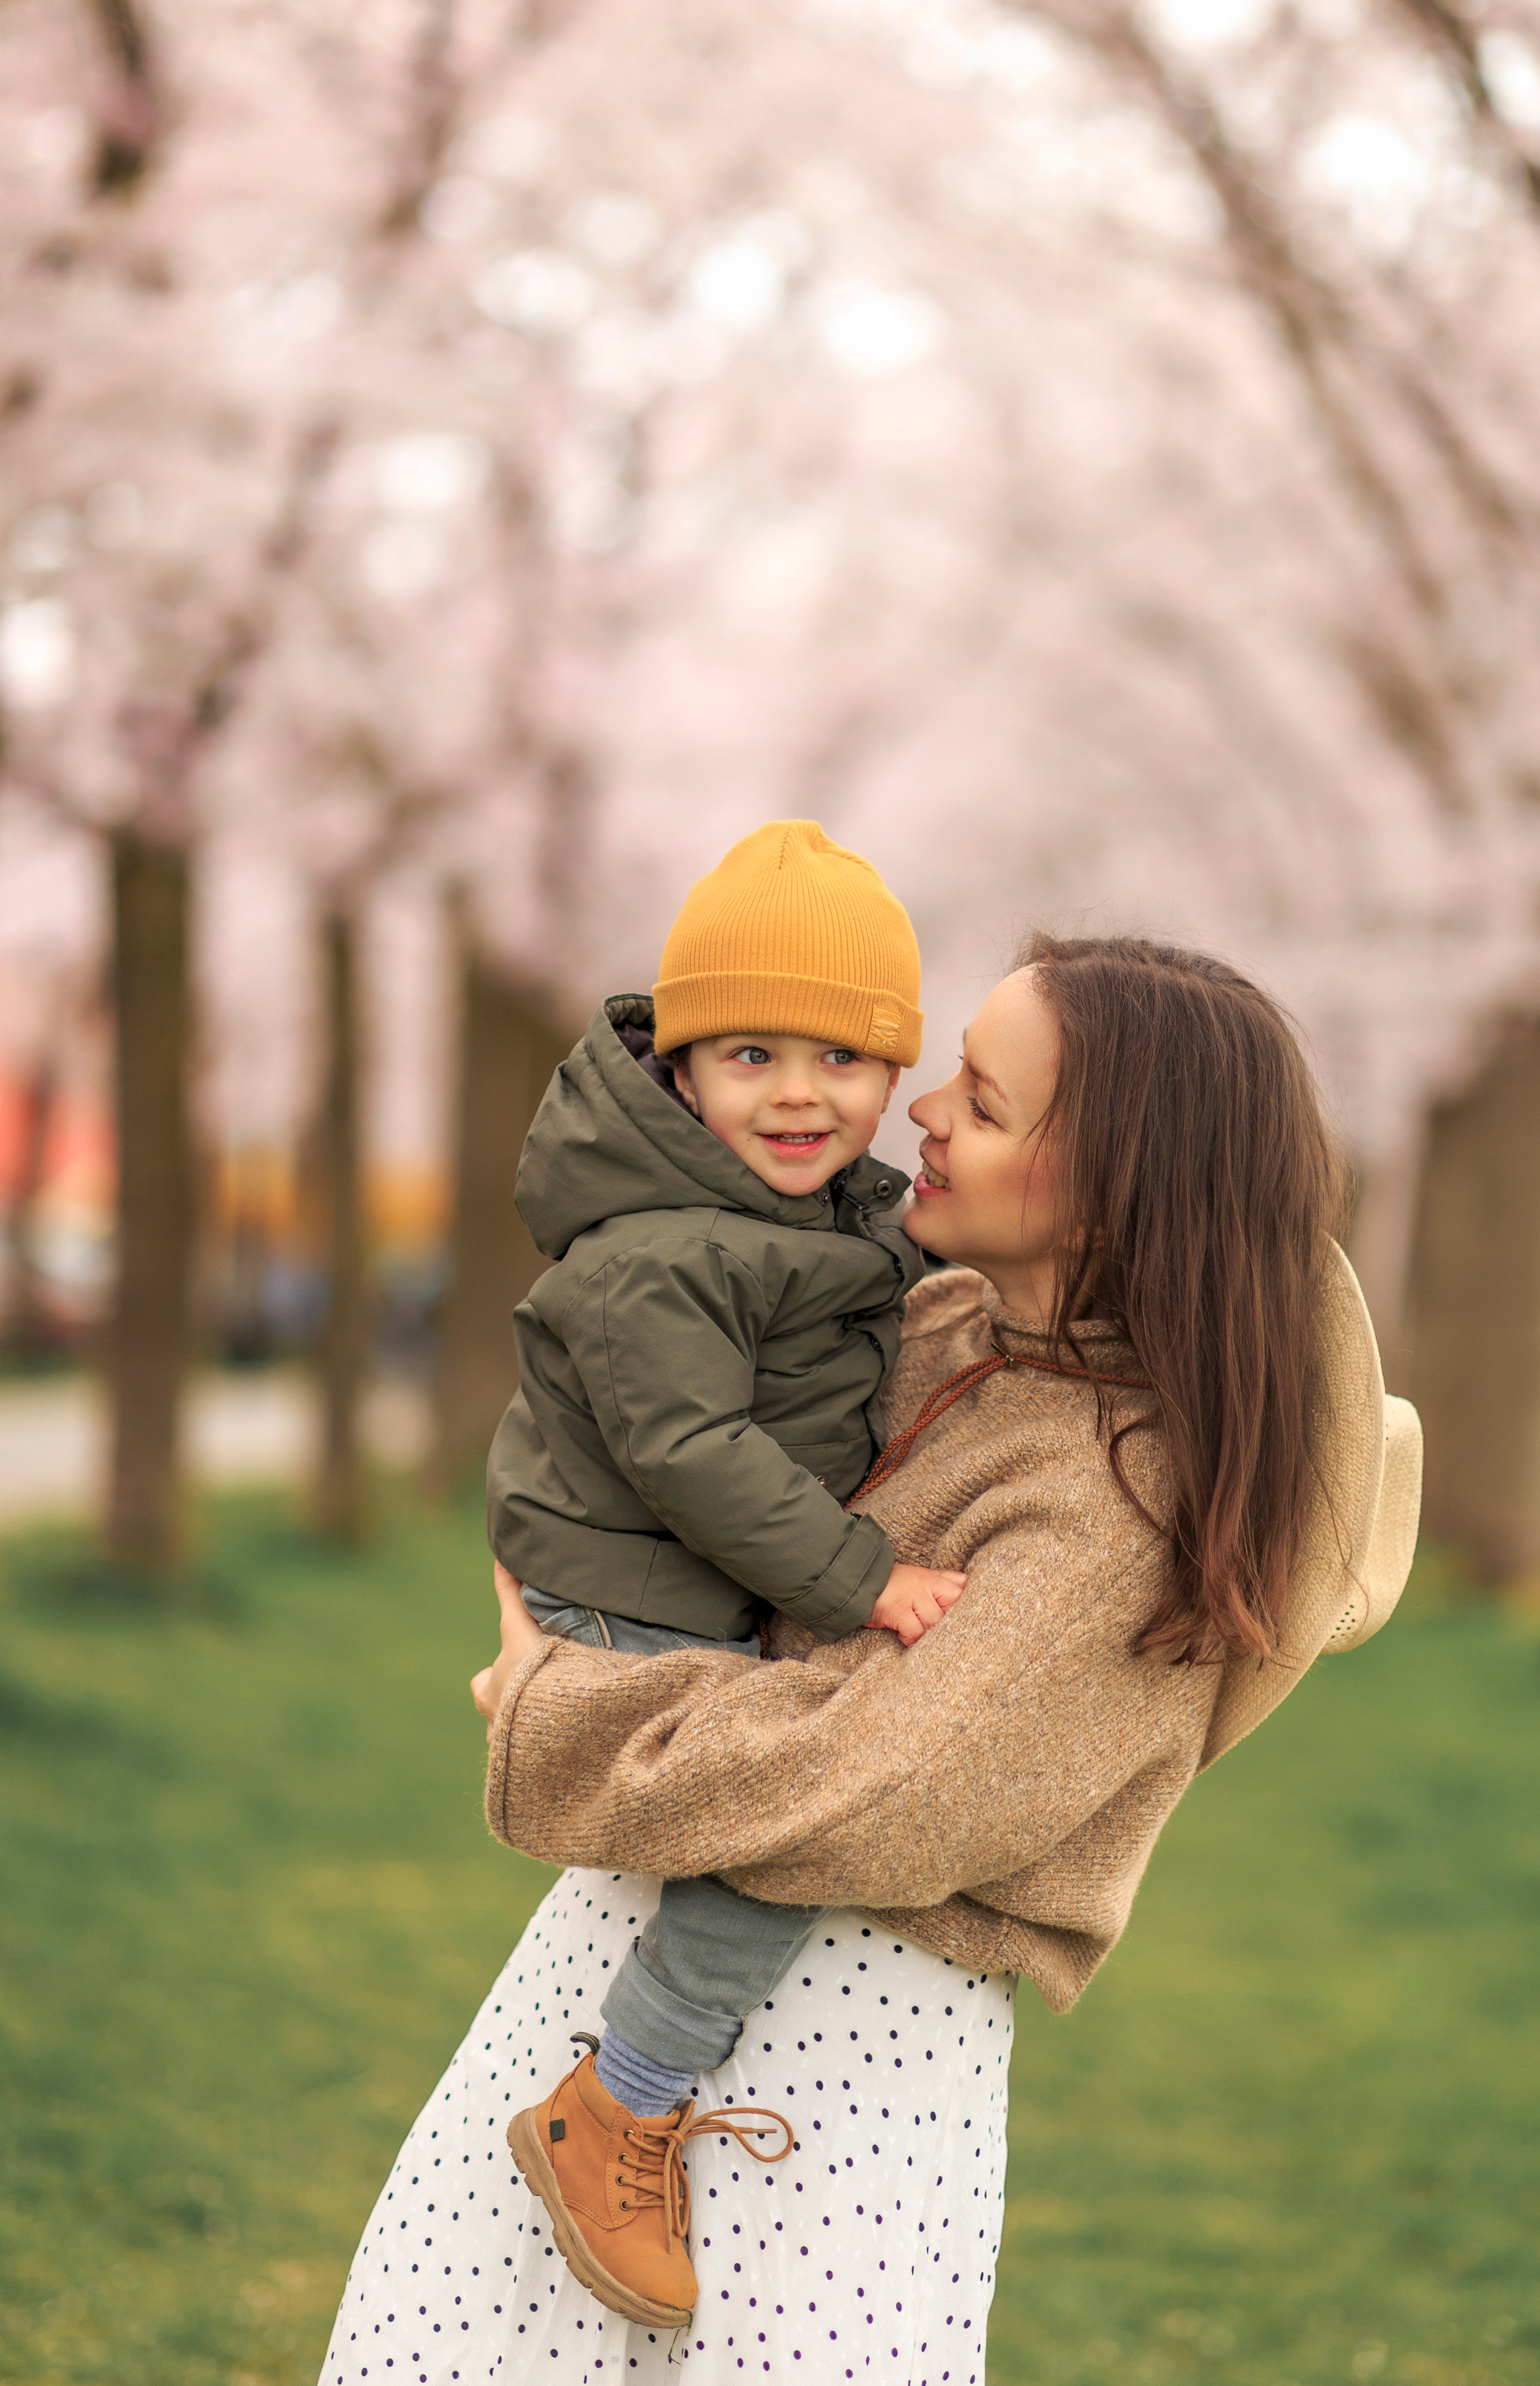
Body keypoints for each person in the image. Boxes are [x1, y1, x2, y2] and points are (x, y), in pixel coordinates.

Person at [320, 934, 1421, 2386]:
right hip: (621, 1965)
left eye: (984, 1096)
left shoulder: (1122, 1492)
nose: (924, 1114)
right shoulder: (927, 1314)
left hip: (835, 2058)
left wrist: (560, 1705)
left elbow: (869, 1788)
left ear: (1117, 1185)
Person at [483, 818, 967, 2327]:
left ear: (893, 1072)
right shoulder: (658, 1251)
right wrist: (856, 1577)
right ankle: (619, 2102)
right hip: (632, 1597)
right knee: (790, 1818)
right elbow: (690, 1449)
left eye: (840, 1058)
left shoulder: (808, 1218)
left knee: (800, 1799)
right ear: (680, 1070)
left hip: (679, 1586)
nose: (800, 1094)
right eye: (748, 1054)